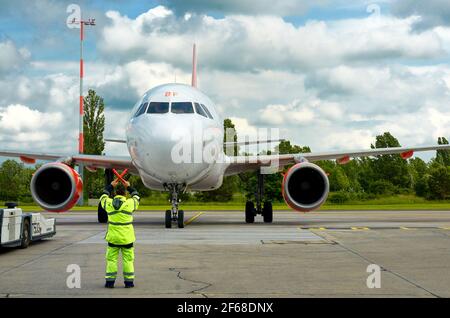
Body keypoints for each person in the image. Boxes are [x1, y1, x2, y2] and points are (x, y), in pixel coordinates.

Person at [100, 178, 140, 288]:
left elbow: (103, 197)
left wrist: (111, 186)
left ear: (115, 193)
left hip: (113, 238)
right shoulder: (129, 203)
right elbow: (136, 196)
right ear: (125, 194)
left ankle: (110, 282)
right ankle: (129, 282)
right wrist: (129, 186)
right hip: (127, 238)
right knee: (128, 260)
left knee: (111, 260)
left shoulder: (108, 203)